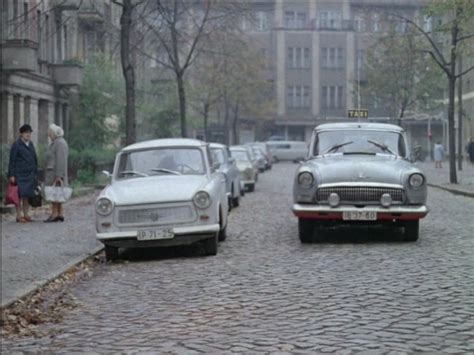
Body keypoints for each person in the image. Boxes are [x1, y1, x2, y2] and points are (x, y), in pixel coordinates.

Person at [8, 124, 38, 223]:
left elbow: (34, 159)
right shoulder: (16, 144)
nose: (28, 134)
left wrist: (35, 172)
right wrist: (11, 175)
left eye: (29, 132)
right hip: (19, 175)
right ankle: (18, 215)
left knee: (27, 195)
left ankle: (26, 214)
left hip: (30, 174)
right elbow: (12, 161)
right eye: (26, 133)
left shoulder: (31, 144)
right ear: (21, 134)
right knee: (19, 195)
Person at [44, 124, 69, 223]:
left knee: (54, 193)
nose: (48, 134)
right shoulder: (57, 142)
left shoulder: (60, 143)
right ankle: (60, 213)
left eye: (49, 132)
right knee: (57, 193)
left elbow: (61, 160)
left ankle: (55, 214)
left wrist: (59, 175)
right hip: (54, 172)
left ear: (54, 132)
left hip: (56, 173)